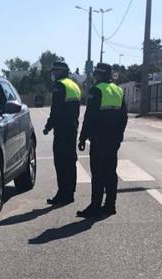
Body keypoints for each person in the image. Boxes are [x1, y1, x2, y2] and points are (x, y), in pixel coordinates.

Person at [77, 63, 128, 218]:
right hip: (113, 140)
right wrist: (119, 137)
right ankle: (110, 205)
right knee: (110, 173)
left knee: (98, 174)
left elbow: (90, 116)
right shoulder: (118, 90)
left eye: (95, 75)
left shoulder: (97, 90)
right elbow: (124, 117)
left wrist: (82, 137)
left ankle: (95, 206)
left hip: (99, 139)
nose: (94, 77)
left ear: (99, 75)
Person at [43, 61, 82, 206]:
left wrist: (48, 126)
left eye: (55, 72)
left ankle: (62, 194)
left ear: (61, 71)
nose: (53, 74)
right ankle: (70, 193)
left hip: (62, 130)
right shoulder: (73, 85)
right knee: (70, 162)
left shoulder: (60, 86)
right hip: (72, 128)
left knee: (61, 162)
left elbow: (56, 110)